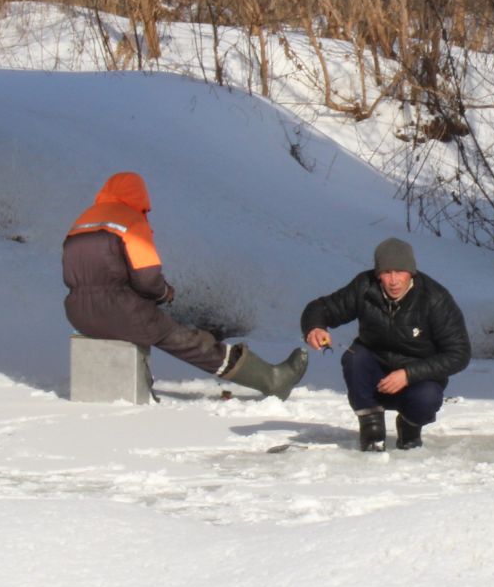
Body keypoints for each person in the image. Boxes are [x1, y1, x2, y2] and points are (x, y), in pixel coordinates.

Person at [63, 172, 307, 398]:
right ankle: (273, 380)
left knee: (150, 326)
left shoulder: (82, 221)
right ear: (139, 196)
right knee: (189, 341)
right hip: (121, 312)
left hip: (78, 314)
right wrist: (164, 293)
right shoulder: (131, 221)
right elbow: (147, 278)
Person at [300, 238, 471, 451]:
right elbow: (322, 307)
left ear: (411, 273)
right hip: (373, 374)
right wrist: (315, 327)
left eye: (399, 272)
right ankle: (371, 429)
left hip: (416, 380)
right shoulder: (364, 286)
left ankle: (409, 427)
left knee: (427, 398)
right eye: (387, 272)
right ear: (378, 274)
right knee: (354, 357)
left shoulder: (435, 299)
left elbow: (459, 354)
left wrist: (408, 374)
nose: (393, 281)